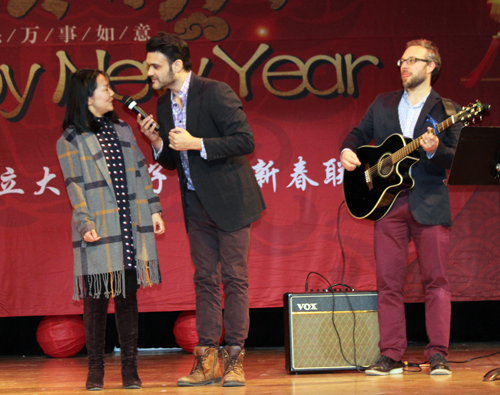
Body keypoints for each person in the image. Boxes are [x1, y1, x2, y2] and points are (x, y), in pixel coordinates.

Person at [137, 33, 265, 387]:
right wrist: (158, 141)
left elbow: (245, 140)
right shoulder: (164, 105)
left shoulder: (215, 91)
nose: (149, 71)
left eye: (155, 65)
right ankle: (207, 360)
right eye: (149, 65)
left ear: (176, 65)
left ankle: (235, 359)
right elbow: (171, 162)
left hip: (231, 200)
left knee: (234, 279)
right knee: (204, 280)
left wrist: (196, 143)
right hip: (196, 203)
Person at [341, 39, 461, 376]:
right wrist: (347, 152)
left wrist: (436, 148)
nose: (404, 66)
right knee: (387, 283)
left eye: (412, 60)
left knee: (436, 281)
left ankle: (438, 354)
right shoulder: (383, 103)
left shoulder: (447, 109)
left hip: (430, 201)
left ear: (431, 66)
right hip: (388, 205)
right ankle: (391, 353)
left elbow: (456, 157)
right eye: (402, 60)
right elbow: (357, 134)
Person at [57, 69, 164, 390]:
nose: (112, 93)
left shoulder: (124, 130)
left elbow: (141, 172)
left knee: (128, 298)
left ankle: (130, 369)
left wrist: (154, 209)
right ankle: (95, 370)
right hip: (98, 226)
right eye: (105, 88)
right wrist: (84, 222)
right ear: (87, 97)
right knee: (95, 302)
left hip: (130, 226)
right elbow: (74, 186)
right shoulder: (70, 139)